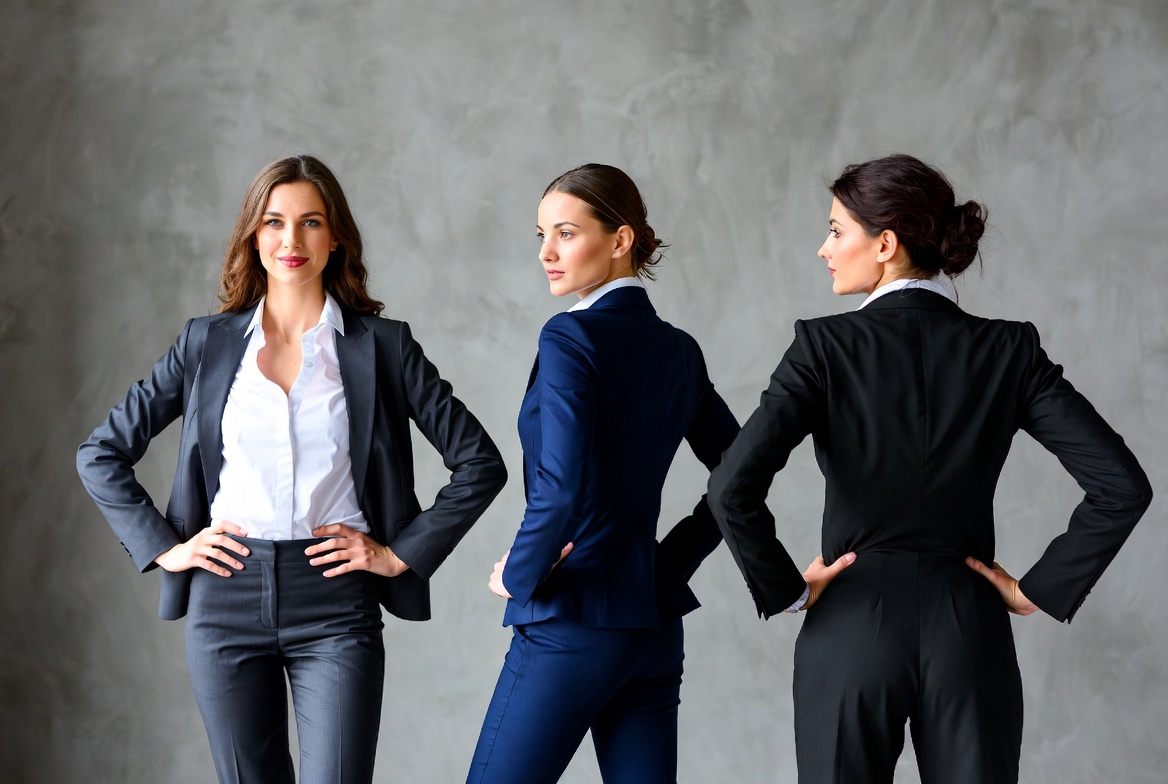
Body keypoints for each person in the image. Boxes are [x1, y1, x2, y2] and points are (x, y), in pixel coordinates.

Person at [707, 153, 1152, 784]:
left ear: (884, 244)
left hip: (852, 629)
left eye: (836, 231)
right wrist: (1038, 589)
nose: (823, 249)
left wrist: (786, 589)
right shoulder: (1008, 350)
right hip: (968, 629)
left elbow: (730, 487)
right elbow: (1121, 486)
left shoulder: (823, 348)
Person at [76, 154, 507, 784]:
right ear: (254, 235)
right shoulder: (206, 344)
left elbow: (480, 462)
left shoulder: (382, 347)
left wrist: (400, 553)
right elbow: (100, 453)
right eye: (274, 222)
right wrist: (165, 547)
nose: (291, 240)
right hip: (223, 599)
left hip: (335, 603)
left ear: (335, 238)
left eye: (311, 222)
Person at [465, 163, 740, 784]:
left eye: (565, 233)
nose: (546, 253)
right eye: (540, 236)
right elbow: (740, 473)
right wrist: (668, 565)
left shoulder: (570, 337)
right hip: (651, 626)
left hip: (574, 618)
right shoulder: (678, 348)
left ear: (621, 240)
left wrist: (521, 573)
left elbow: (560, 487)